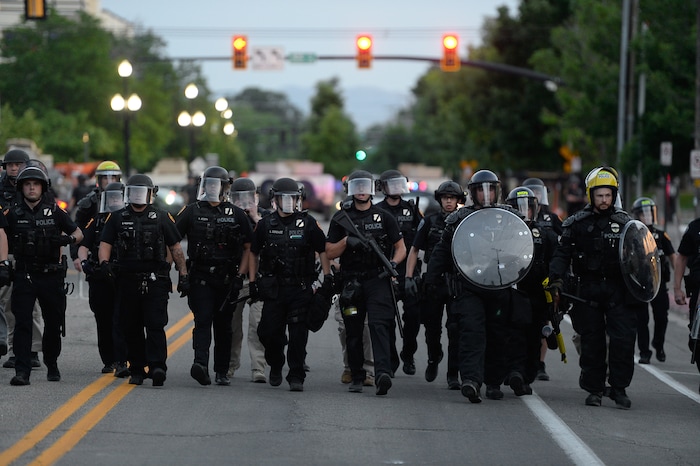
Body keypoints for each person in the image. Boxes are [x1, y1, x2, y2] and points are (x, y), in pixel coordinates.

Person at [424, 169, 529, 403]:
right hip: (469, 286)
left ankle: (493, 383)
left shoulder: (509, 217)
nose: (486, 194)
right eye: (481, 190)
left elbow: (522, 247)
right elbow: (442, 250)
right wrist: (431, 279)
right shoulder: (459, 219)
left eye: (490, 189)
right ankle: (471, 380)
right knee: (471, 333)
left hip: (500, 286)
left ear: (497, 191)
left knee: (498, 335)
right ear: (472, 193)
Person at [547, 167, 636, 409]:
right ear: (591, 195)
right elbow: (561, 255)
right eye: (599, 195)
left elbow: (641, 258)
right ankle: (594, 389)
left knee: (623, 341)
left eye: (608, 195)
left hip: (619, 290)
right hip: (587, 290)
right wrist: (556, 280)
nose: (604, 200)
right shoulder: (575, 224)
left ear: (614, 195)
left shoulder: (627, 224)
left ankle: (619, 388)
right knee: (592, 341)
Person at [98, 174, 188, 387]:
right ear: (128, 193)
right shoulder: (118, 217)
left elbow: (176, 248)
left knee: (155, 325)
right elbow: (105, 243)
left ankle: (158, 367)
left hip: (155, 280)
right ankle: (137, 368)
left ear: (150, 194)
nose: (138, 196)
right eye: (134, 191)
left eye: (142, 192)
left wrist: (183, 274)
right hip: (126, 280)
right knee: (131, 326)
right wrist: (104, 264)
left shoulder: (163, 217)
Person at [326, 170, 406, 395]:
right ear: (350, 189)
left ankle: (381, 373)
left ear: (372, 189)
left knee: (379, 326)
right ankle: (357, 375)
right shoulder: (342, 218)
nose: (361, 190)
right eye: (357, 186)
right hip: (351, 280)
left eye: (365, 186)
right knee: (353, 330)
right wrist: (346, 241)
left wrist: (392, 264)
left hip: (377, 278)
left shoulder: (383, 216)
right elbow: (329, 251)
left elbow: (401, 247)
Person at [249, 177, 330, 391]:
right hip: (274, 289)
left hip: (300, 287)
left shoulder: (308, 223)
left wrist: (328, 277)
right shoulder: (265, 224)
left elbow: (322, 250)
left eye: (292, 198)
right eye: (283, 198)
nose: (288, 202)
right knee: (267, 332)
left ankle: (296, 376)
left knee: (298, 335)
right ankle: (276, 364)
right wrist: (252, 281)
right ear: (275, 199)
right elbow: (254, 253)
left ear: (298, 199)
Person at [6, 166, 83, 385]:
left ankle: (52, 362)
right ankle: (22, 371)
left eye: (35, 184)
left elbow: (78, 233)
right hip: (24, 274)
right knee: (23, 323)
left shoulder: (55, 211)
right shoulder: (12, 213)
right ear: (22, 188)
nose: (31, 188)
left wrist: (67, 241)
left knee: (53, 323)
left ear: (42, 187)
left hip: (51, 275)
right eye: (27, 184)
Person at [176, 166, 253, 386]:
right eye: (208, 184)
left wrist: (241, 275)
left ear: (225, 187)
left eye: (216, 184)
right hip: (200, 277)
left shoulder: (236, 214)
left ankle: (221, 370)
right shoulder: (191, 210)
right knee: (202, 320)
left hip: (227, 279)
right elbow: (173, 240)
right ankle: (200, 364)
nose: (212, 188)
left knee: (224, 325)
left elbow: (249, 246)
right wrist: (179, 271)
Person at [405, 180, 463, 389]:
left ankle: (453, 374)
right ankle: (433, 357)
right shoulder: (428, 222)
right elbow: (414, 250)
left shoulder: (464, 221)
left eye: (452, 198)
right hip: (433, 280)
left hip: (456, 280)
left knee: (455, 328)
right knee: (432, 327)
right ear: (439, 199)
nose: (448, 201)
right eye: (445, 197)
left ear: (458, 200)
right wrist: (409, 277)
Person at [505, 186, 558, 391]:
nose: (523, 211)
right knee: (513, 333)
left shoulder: (545, 234)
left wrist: (557, 284)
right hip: (511, 292)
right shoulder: (503, 234)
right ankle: (514, 371)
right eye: (518, 207)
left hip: (537, 294)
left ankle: (526, 375)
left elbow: (557, 261)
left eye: (527, 207)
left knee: (535, 336)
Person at [77, 182, 129, 376]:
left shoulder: (129, 218)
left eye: (118, 197)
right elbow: (84, 244)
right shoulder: (97, 220)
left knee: (121, 318)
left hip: (122, 276)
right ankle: (109, 360)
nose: (115, 201)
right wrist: (84, 263)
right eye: (112, 197)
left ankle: (123, 359)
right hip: (100, 277)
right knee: (103, 319)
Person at [375, 169, 423, 377]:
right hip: (386, 271)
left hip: (408, 271)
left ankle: (408, 353)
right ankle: (391, 360)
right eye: (391, 184)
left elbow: (421, 239)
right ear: (382, 187)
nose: (395, 188)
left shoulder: (412, 210)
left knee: (413, 316)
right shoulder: (376, 210)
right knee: (387, 319)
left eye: (398, 184)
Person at [0, 149, 43, 369]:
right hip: (6, 251)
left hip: (31, 252)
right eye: (10, 165)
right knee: (8, 303)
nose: (14, 168)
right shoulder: (1, 190)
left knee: (31, 304)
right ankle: (15, 350)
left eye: (18, 164)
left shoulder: (35, 184)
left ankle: (33, 350)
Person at [228, 177, 268, 383]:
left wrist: (255, 217)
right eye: (238, 198)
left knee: (257, 325)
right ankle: (230, 365)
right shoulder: (228, 216)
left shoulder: (267, 217)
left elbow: (271, 236)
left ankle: (258, 368)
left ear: (256, 197)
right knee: (232, 326)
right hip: (236, 278)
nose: (243, 202)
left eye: (248, 198)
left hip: (259, 279)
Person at [523, 177, 562, 381]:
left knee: (544, 322)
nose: (536, 195)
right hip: (521, 275)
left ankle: (540, 362)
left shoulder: (551, 219)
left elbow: (561, 245)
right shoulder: (517, 216)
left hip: (543, 277)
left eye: (538, 192)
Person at [631, 197, 675, 364]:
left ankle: (659, 343)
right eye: (644, 213)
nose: (648, 216)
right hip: (641, 283)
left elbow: (673, 257)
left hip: (659, 283)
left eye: (650, 212)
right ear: (637, 215)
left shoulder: (662, 235)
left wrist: (679, 282)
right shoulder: (633, 235)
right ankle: (644, 352)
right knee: (642, 319)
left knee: (661, 317)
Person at [71, 161, 122, 272]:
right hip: (96, 249)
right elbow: (77, 229)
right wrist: (76, 256)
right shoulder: (89, 203)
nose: (109, 181)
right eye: (105, 178)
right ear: (99, 180)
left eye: (113, 178)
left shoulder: (126, 200)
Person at [672, 213, 700, 394]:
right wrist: (677, 288)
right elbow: (681, 257)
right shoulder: (695, 228)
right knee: (695, 340)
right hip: (698, 294)